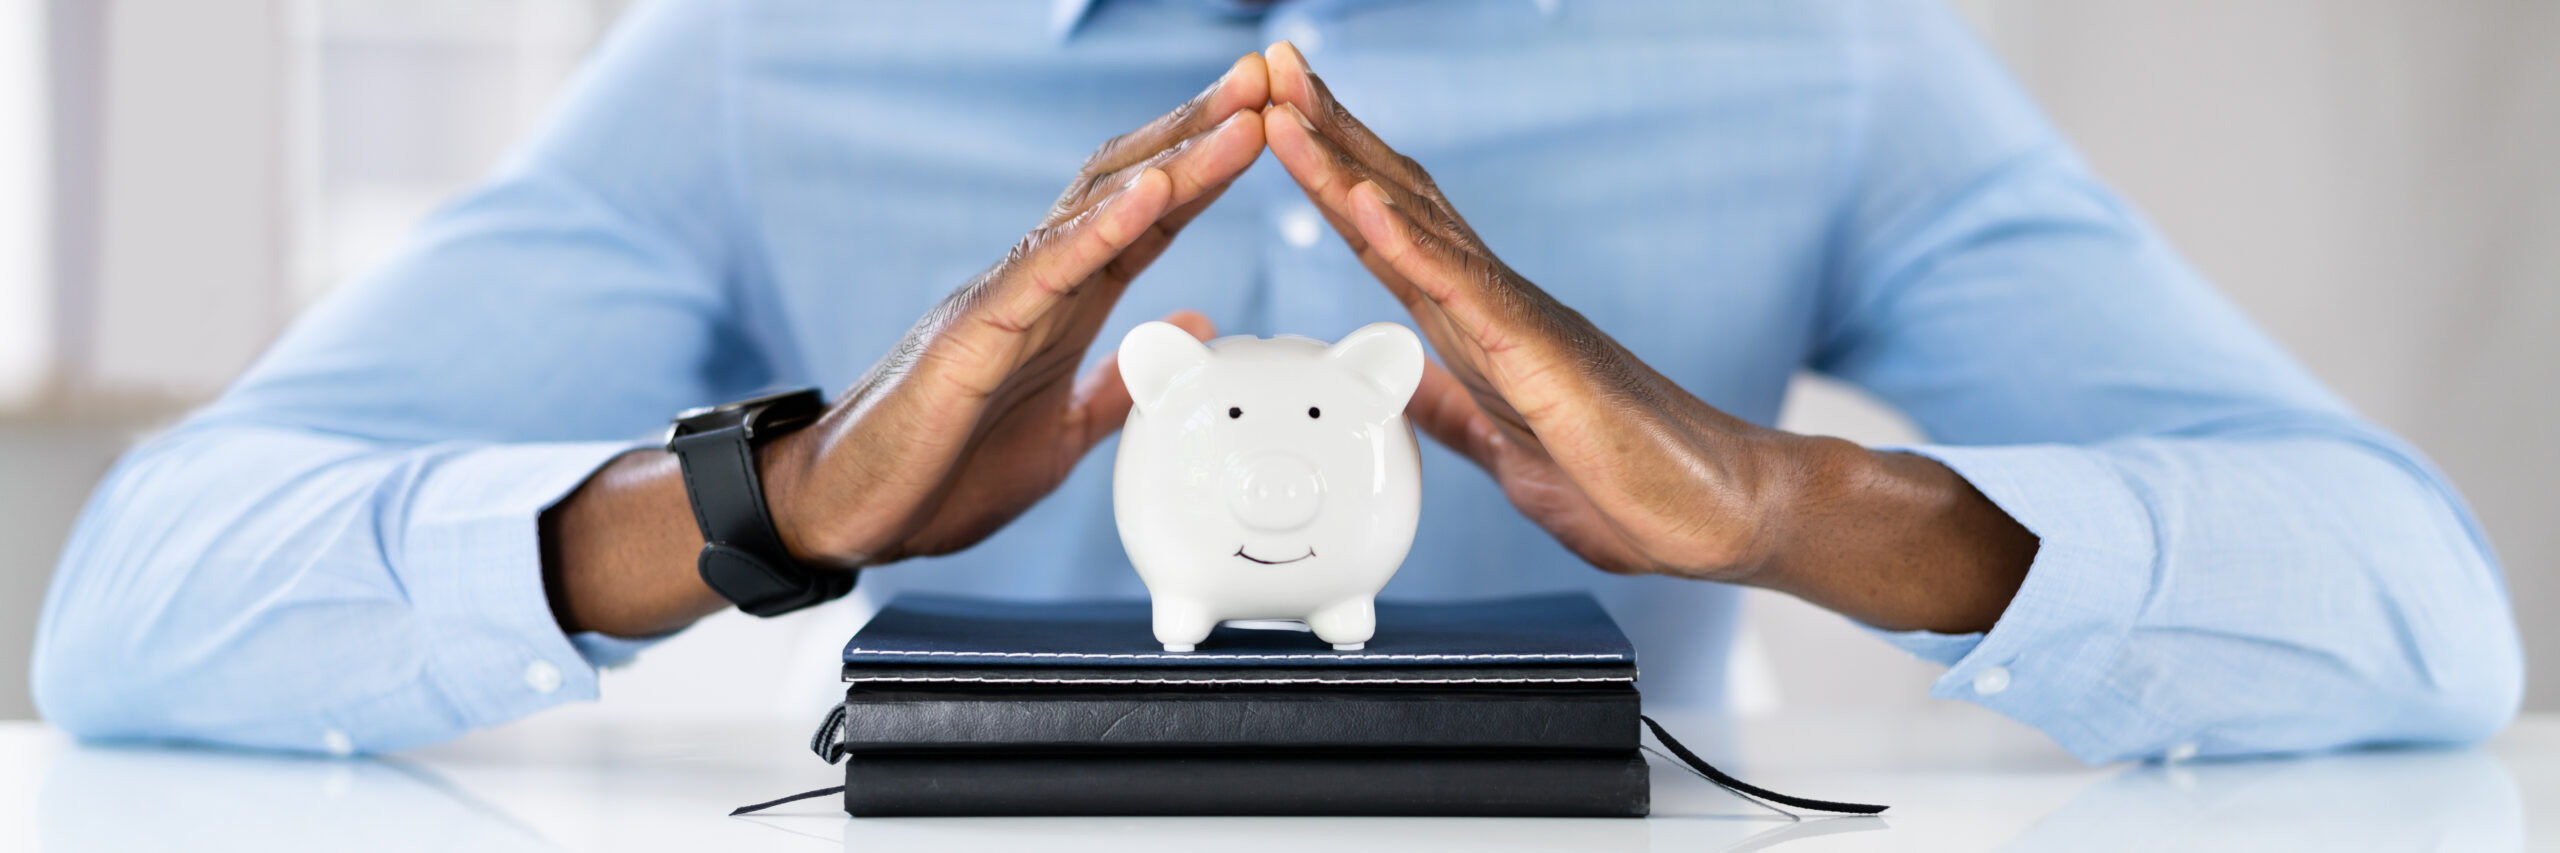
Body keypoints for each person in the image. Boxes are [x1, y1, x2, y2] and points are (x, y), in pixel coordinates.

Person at [31, 0, 2520, 760]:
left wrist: (1774, 501)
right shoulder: (757, 61)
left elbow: (2422, 619)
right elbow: (133, 612)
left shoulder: (1817, 62)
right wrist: (777, 503)